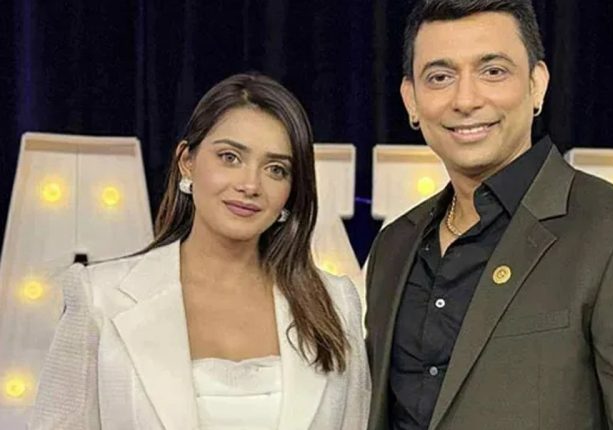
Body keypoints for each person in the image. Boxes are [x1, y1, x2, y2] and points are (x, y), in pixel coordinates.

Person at [364, 1, 613, 429]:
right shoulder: (395, 245)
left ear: (537, 84)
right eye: (440, 77)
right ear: (411, 99)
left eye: (493, 71)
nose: (465, 99)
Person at [30, 72, 370, 429]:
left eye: (275, 169)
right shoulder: (101, 297)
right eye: (230, 157)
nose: (250, 185)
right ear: (186, 162)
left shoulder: (335, 303)